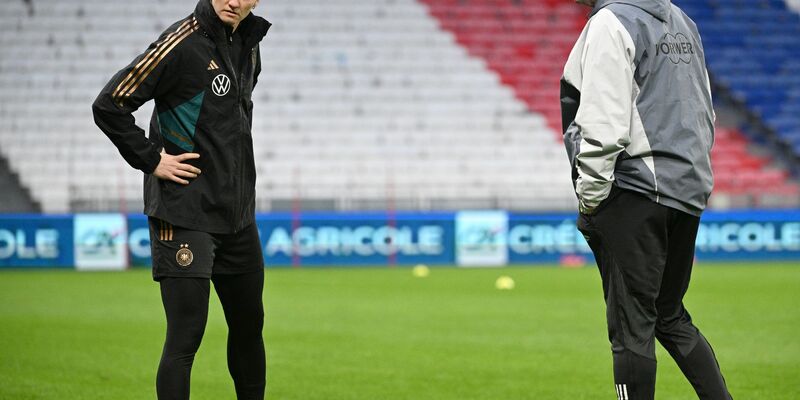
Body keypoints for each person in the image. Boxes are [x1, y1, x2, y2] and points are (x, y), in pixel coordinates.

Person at [92, 0, 270, 398]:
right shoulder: (181, 43)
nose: (235, 1)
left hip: (238, 216)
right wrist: (152, 159)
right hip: (184, 212)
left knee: (249, 328)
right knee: (185, 338)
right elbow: (110, 104)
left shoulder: (250, 41)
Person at [561, 0, 733, 399]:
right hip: (684, 188)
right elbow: (704, 110)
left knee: (630, 330)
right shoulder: (682, 21)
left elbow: (603, 121)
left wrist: (591, 197)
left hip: (635, 190)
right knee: (670, 316)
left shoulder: (611, 21)